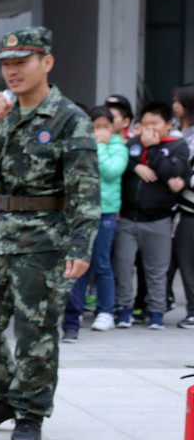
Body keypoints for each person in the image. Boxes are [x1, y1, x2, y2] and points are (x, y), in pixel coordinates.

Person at [0, 27, 100, 440]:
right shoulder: (3, 114)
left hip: (45, 238)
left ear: (46, 63)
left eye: (22, 62)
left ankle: (31, 412)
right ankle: (8, 394)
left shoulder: (70, 119)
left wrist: (81, 244)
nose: (13, 71)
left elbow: (85, 191)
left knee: (36, 331)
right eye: (7, 64)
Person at [112, 101, 190, 330]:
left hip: (159, 219)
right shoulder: (132, 144)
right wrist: (136, 167)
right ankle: (123, 310)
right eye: (144, 124)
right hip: (127, 217)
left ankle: (156, 312)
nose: (149, 129)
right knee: (123, 266)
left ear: (168, 124)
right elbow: (119, 164)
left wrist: (154, 149)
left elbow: (172, 173)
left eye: (154, 123)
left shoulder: (178, 146)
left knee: (157, 269)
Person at [61, 106, 128, 340]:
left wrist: (98, 146)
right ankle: (75, 311)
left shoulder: (119, 146)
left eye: (105, 127)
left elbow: (111, 172)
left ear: (113, 127)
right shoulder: (80, 144)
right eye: (95, 127)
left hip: (106, 213)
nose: (100, 131)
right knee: (77, 263)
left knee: (101, 263)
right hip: (80, 213)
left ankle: (106, 311)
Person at [172, 84, 194, 329]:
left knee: (188, 262)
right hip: (171, 209)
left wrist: (186, 180)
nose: (174, 105)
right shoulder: (175, 129)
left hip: (189, 210)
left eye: (177, 100)